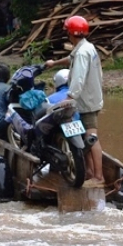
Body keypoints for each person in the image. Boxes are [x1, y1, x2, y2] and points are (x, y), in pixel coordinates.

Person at [45, 15, 104, 188]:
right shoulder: (86, 48)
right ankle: (90, 173)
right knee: (84, 137)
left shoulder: (83, 53)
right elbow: (72, 59)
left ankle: (99, 177)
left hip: (87, 102)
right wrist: (54, 63)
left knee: (92, 137)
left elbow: (78, 78)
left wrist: (70, 97)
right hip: (88, 99)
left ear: (70, 34)